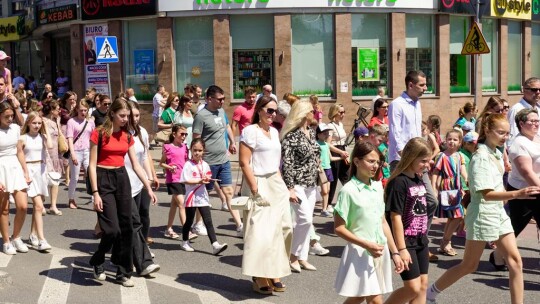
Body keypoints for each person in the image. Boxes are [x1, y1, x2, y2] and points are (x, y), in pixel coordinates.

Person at [426, 113, 540, 304]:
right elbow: (486, 194)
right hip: (482, 214)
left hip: (498, 213)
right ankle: (430, 293)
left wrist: (508, 193)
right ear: (487, 131)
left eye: (507, 133)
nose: (505, 137)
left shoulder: (495, 152)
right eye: (501, 132)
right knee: (469, 266)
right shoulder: (480, 157)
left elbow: (497, 186)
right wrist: (516, 194)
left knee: (515, 262)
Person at [88, 98, 158, 287]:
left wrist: (148, 186)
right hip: (103, 179)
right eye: (122, 116)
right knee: (111, 229)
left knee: (127, 228)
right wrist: (95, 192)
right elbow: (92, 165)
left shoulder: (128, 136)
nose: (126, 119)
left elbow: (136, 164)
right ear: (112, 114)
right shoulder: (99, 133)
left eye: (127, 116)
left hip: (121, 178)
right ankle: (98, 259)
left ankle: (123, 272)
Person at [334, 141, 404, 303]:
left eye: (377, 162)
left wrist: (395, 252)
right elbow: (339, 228)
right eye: (370, 161)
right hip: (360, 253)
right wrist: (366, 245)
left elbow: (383, 223)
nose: (375, 166)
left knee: (357, 298)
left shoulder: (378, 187)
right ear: (357, 161)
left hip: (379, 250)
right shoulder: (348, 191)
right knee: (375, 300)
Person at [238, 95, 293, 295]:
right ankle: (259, 274)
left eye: (275, 111)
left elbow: (276, 163)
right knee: (260, 232)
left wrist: (285, 187)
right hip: (258, 181)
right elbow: (244, 163)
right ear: (259, 110)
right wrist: (254, 189)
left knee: (283, 228)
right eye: (269, 110)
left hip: (275, 181)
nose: (273, 114)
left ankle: (274, 270)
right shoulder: (250, 131)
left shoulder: (275, 132)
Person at [384, 138, 431, 304]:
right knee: (412, 287)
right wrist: (401, 248)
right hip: (406, 241)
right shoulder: (398, 182)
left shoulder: (418, 179)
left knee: (423, 285)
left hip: (420, 239)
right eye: (423, 161)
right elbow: (394, 216)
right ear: (411, 157)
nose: (427, 164)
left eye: (429, 160)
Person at [192, 85, 243, 236]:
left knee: (228, 192)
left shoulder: (221, 111)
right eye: (220, 99)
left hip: (223, 160)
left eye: (224, 99)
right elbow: (196, 139)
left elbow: (227, 126)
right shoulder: (201, 116)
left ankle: (239, 225)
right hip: (208, 162)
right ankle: (198, 223)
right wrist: (198, 161)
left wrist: (233, 142)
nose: (222, 102)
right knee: (204, 195)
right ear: (209, 99)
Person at [122, 101, 160, 276]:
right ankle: (142, 260)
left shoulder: (141, 132)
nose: (134, 119)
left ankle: (139, 250)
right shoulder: (118, 134)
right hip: (123, 185)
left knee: (141, 216)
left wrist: (150, 177)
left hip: (139, 182)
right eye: (131, 115)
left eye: (137, 115)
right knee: (132, 222)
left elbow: (144, 156)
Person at [281, 100, 320, 272]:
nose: (315, 113)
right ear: (304, 113)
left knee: (305, 222)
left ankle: (302, 257)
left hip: (311, 183)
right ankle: (293, 256)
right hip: (296, 183)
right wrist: (289, 187)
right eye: (312, 111)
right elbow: (287, 164)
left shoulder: (311, 132)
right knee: (305, 219)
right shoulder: (291, 136)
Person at [179, 138, 228, 255]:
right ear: (191, 150)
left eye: (200, 150)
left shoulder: (205, 164)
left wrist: (207, 179)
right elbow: (185, 180)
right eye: (195, 150)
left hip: (203, 197)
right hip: (191, 197)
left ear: (203, 151)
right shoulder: (188, 164)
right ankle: (184, 241)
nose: (197, 153)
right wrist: (199, 181)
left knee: (208, 221)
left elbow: (208, 176)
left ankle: (215, 244)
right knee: (189, 221)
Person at [506, 108, 540, 248]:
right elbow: (527, 172)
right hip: (524, 192)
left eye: (538, 120)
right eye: (532, 121)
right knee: (515, 227)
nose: (536, 124)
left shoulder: (536, 138)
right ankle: (497, 256)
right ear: (521, 123)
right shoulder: (519, 143)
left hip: (536, 189)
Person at [20, 112, 53, 251]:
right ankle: (41, 239)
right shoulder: (23, 138)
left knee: (38, 206)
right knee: (39, 205)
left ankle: (33, 234)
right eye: (34, 123)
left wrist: (45, 128)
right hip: (29, 170)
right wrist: (24, 172)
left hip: (41, 169)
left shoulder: (42, 136)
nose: (37, 126)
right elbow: (19, 155)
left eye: (39, 123)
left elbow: (50, 146)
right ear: (28, 123)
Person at [431, 130, 467, 256]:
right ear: (445, 140)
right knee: (458, 216)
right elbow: (436, 172)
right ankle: (446, 242)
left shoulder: (459, 155)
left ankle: (444, 243)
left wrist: (467, 180)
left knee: (453, 216)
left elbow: (462, 171)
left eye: (455, 139)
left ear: (460, 142)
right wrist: (434, 188)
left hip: (457, 188)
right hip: (447, 188)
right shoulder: (442, 156)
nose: (452, 141)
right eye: (449, 139)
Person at [0, 102, 30, 255]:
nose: (10, 119)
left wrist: (25, 171)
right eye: (7, 116)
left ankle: (16, 237)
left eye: (12, 115)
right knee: (4, 209)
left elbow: (19, 152)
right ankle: (6, 241)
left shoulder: (16, 129)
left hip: (15, 166)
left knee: (23, 206)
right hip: (1, 168)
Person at [160, 125, 195, 240]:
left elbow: (186, 162)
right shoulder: (167, 147)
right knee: (182, 204)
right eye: (182, 134)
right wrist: (169, 167)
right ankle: (187, 231)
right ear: (174, 134)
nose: (184, 136)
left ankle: (168, 229)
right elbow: (161, 163)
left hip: (182, 179)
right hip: (173, 180)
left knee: (174, 205)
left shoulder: (185, 147)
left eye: (185, 134)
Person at [66, 100, 95, 209]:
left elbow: (93, 137)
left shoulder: (90, 122)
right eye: (81, 110)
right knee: (75, 177)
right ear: (77, 110)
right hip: (76, 151)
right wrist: (72, 154)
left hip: (87, 151)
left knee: (91, 175)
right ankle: (71, 198)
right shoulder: (71, 122)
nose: (83, 112)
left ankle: (94, 199)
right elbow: (69, 138)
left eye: (85, 110)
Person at [327, 103, 351, 210]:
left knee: (347, 175)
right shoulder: (330, 126)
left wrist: (344, 153)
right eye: (340, 112)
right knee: (334, 179)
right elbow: (328, 144)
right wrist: (340, 152)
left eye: (344, 112)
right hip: (335, 151)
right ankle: (328, 203)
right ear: (335, 113)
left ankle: (350, 198)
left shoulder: (340, 125)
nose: (343, 114)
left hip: (342, 150)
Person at [42, 101, 64, 215]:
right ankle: (40, 205)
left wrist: (59, 124)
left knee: (55, 180)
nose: (59, 110)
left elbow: (60, 135)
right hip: (45, 154)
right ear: (51, 110)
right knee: (44, 180)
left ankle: (53, 206)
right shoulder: (43, 121)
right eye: (57, 108)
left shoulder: (56, 121)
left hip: (55, 154)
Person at [317, 123, 341, 217]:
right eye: (323, 133)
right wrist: (318, 165)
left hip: (328, 169)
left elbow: (330, 158)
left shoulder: (326, 145)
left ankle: (324, 209)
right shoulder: (316, 144)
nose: (326, 135)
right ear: (318, 134)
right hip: (321, 169)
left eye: (327, 133)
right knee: (325, 190)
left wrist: (341, 158)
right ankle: (323, 209)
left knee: (328, 189)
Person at [507, 77, 540, 147]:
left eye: (539, 90)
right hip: (525, 151)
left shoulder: (538, 108)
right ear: (524, 90)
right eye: (534, 90)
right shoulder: (517, 109)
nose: (538, 92)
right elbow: (512, 137)